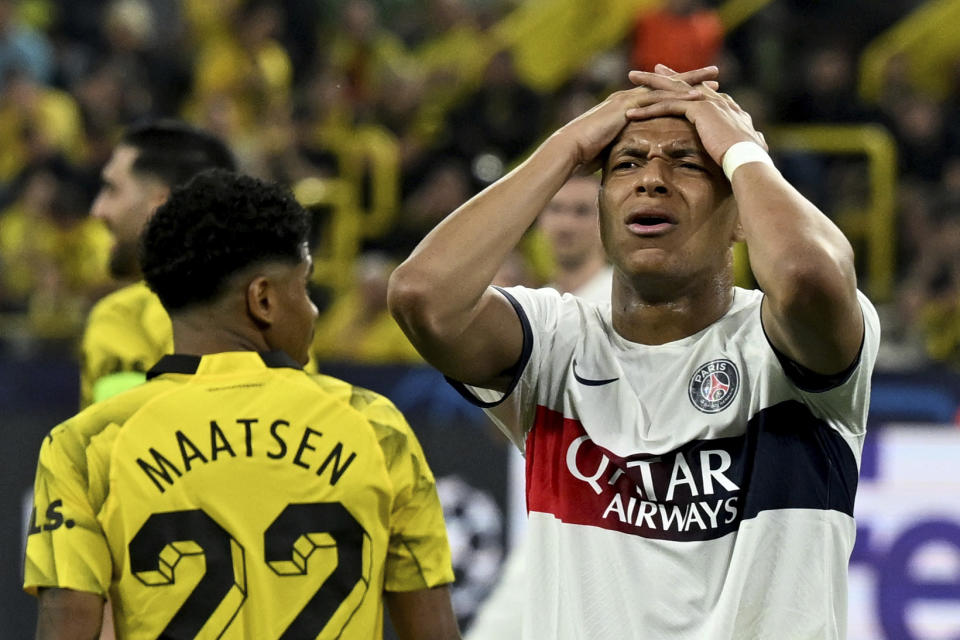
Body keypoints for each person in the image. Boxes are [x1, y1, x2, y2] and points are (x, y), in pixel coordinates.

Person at [388, 63, 879, 639]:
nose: (652, 180)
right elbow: (423, 297)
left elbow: (805, 273)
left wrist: (742, 152)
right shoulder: (554, 346)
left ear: (741, 215)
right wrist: (569, 145)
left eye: (689, 163)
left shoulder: (779, 344)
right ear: (602, 210)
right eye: (627, 163)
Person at [24, 169, 460, 640]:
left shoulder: (84, 447)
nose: (313, 310)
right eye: (306, 286)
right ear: (264, 299)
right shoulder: (376, 429)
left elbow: (65, 630)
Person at [466, 174, 611, 639]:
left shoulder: (621, 305)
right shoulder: (538, 310)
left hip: (598, 532)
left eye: (582, 211)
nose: (566, 224)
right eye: (557, 209)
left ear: (609, 222)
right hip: (536, 531)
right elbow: (506, 429)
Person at [81, 119, 236, 407]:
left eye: (113, 190)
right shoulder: (111, 319)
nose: (98, 210)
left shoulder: (263, 322)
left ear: (162, 207)